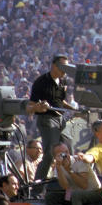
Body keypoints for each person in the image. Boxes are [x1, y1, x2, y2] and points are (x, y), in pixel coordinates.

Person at [28, 55, 76, 184]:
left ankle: (70, 183)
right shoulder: (41, 82)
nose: (65, 71)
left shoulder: (63, 81)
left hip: (61, 118)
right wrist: (39, 107)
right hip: (47, 118)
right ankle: (37, 187)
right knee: (50, 153)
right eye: (63, 67)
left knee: (69, 150)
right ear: (54, 66)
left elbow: (60, 101)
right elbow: (31, 105)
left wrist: (73, 109)